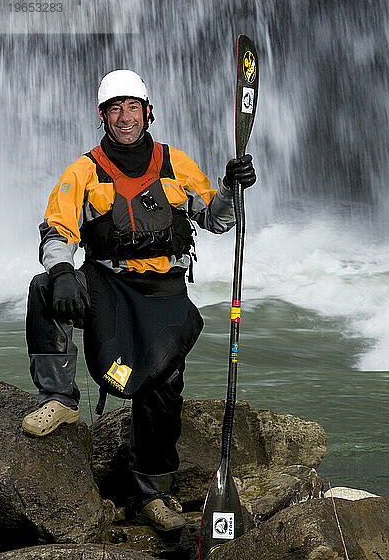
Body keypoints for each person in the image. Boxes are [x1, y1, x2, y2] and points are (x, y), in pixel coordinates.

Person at [22, 69, 256, 532]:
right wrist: (63, 269)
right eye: (115, 109)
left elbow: (217, 219)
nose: (124, 116)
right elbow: (57, 229)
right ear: (103, 117)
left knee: (162, 387)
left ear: (147, 113)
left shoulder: (176, 163)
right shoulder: (84, 170)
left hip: (163, 292)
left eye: (132, 107)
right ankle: (60, 397)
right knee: (45, 288)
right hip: (107, 286)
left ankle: (154, 494)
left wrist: (233, 186)